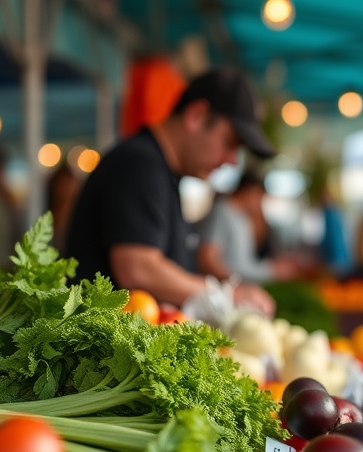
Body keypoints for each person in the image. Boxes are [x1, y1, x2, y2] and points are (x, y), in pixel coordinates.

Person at [65, 68, 276, 313]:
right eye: (229, 143)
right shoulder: (139, 165)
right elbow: (137, 268)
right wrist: (226, 296)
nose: (232, 161)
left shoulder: (162, 172)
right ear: (197, 115)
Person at [197, 168, 299, 283]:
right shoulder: (221, 212)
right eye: (260, 197)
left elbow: (245, 263)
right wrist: (234, 285)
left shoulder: (242, 217)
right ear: (250, 192)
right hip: (222, 289)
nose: (260, 203)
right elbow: (208, 259)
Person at [45, 163, 80, 252]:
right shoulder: (46, 219)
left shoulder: (80, 218)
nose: (65, 187)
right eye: (62, 182)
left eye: (68, 182)